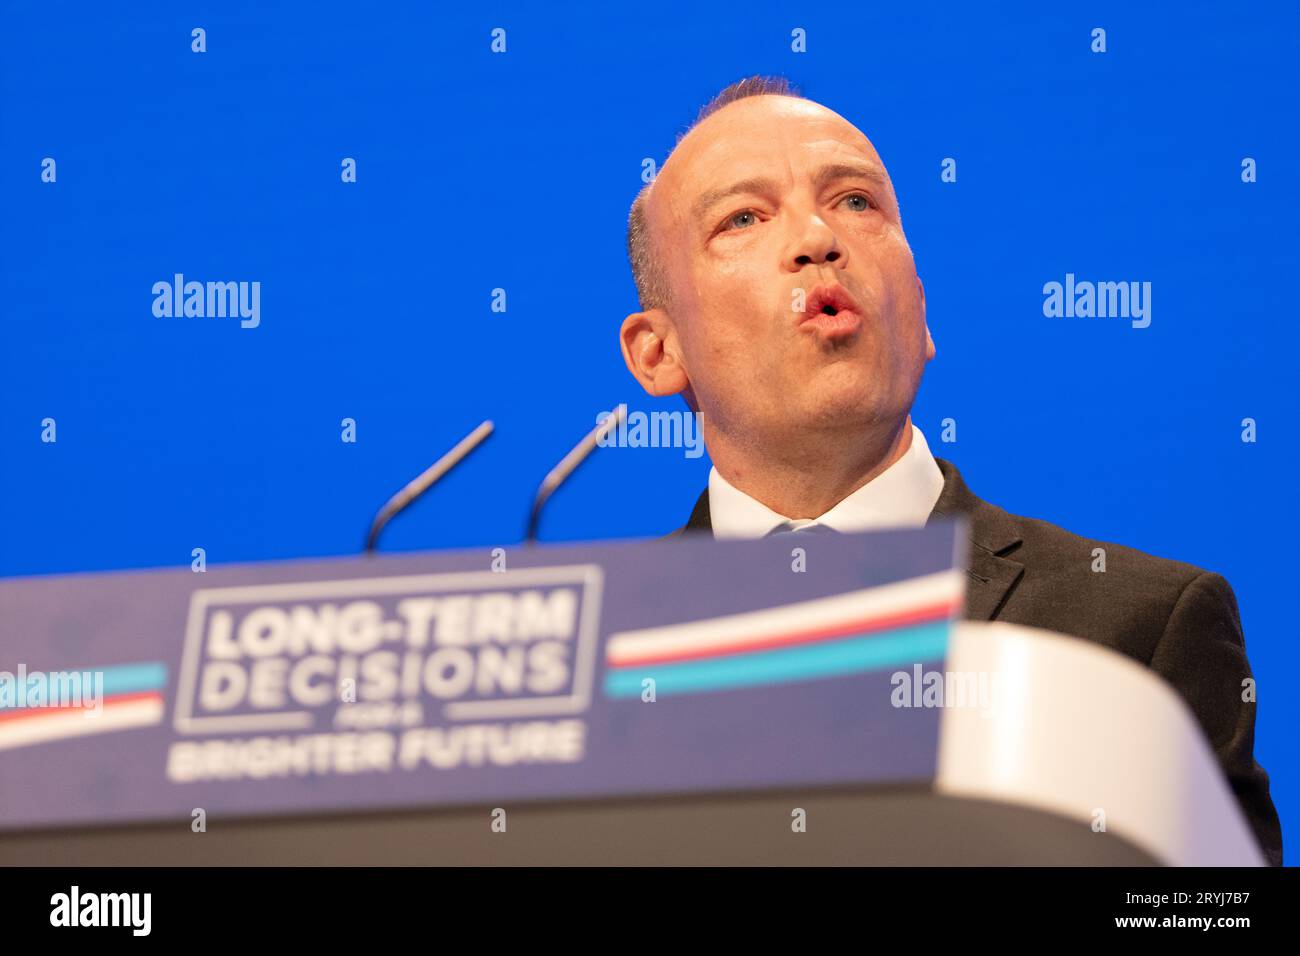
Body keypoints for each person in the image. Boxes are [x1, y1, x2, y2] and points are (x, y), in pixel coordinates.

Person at [618, 75, 1283, 865]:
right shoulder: (588, 657)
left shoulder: (1139, 633)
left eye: (857, 202)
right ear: (659, 353)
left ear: (922, 316)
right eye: (743, 218)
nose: (817, 239)